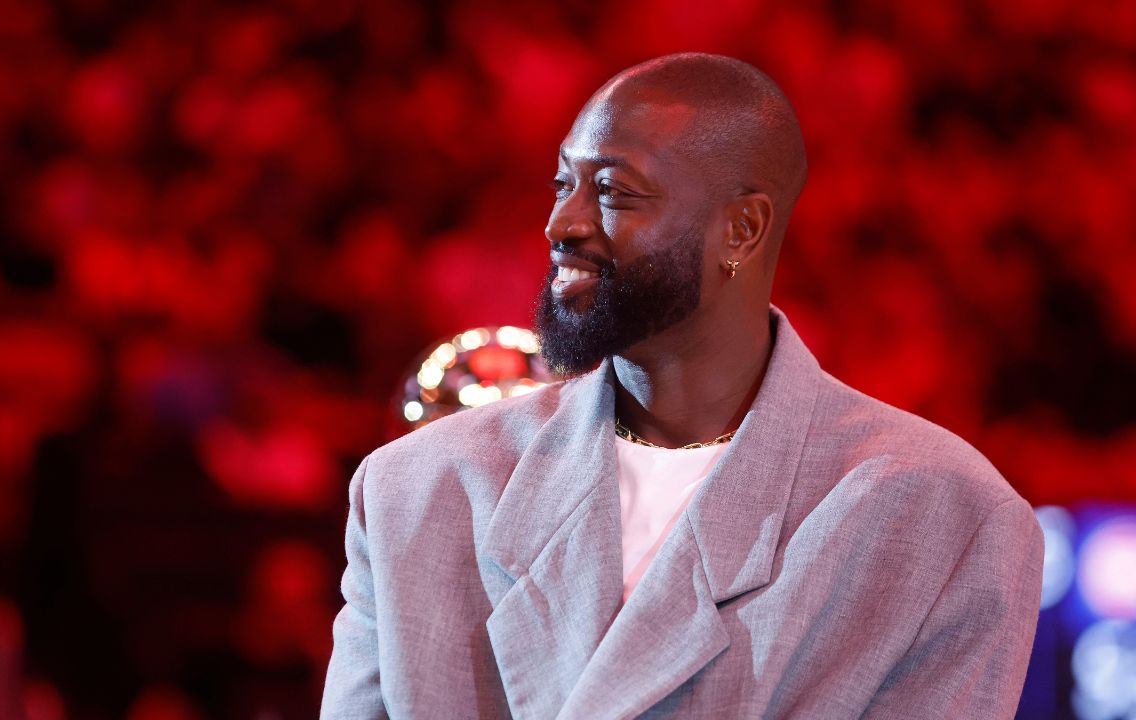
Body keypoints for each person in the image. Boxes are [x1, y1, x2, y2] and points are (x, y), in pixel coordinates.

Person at [321, 53, 1043, 719]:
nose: (560, 223)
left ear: (742, 230)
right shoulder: (412, 490)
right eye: (562, 184)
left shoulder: (945, 515)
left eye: (611, 191)